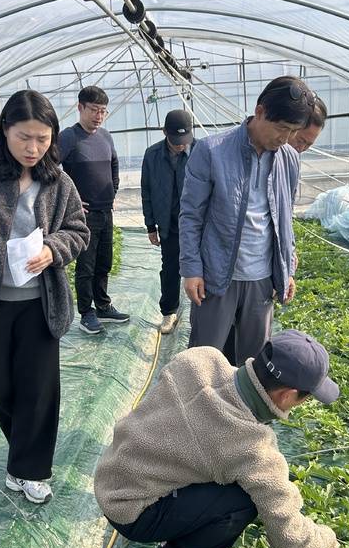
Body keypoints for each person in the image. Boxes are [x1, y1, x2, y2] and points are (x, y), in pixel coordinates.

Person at [94, 329, 339, 548]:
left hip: (111, 474)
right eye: (305, 398)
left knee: (229, 478)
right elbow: (289, 538)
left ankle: (175, 526)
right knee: (244, 499)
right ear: (286, 395)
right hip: (131, 510)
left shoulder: (201, 358)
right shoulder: (251, 446)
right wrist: (329, 543)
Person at [0, 90, 89, 505]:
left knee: (38, 389)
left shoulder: (58, 182)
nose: (33, 148)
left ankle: (31, 470)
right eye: (23, 137)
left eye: (43, 139)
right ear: (4, 133)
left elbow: (79, 230)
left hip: (39, 303)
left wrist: (54, 248)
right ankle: (23, 451)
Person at [180, 75, 316, 365]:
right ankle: (202, 409)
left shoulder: (289, 158)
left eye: (293, 131)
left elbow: (284, 215)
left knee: (254, 364)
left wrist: (287, 265)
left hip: (262, 279)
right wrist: (191, 269)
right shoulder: (211, 151)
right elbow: (191, 216)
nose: (286, 138)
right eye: (281, 128)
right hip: (218, 275)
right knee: (204, 360)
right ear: (260, 112)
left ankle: (242, 412)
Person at [221, 96, 328, 363]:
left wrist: (287, 259)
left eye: (307, 144)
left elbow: (283, 214)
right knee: (220, 346)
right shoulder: (236, 154)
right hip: (228, 273)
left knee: (250, 346)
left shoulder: (289, 161)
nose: (299, 146)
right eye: (298, 138)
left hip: (260, 273)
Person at [58, 86, 130, 335]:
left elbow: (114, 165)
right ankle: (86, 313)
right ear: (80, 108)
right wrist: (72, 201)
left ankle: (103, 306)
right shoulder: (68, 137)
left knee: (104, 262)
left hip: (105, 211)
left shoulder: (106, 137)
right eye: (94, 110)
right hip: (83, 216)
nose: (99, 116)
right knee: (86, 266)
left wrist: (112, 191)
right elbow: (50, 170)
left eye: (103, 111)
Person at [141, 110, 195, 335]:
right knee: (170, 267)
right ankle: (169, 312)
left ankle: (202, 313)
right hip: (169, 223)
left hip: (197, 224)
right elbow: (147, 191)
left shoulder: (200, 151)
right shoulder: (152, 155)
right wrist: (150, 226)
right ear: (165, 133)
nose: (181, 146)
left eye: (185, 141)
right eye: (176, 142)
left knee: (202, 268)